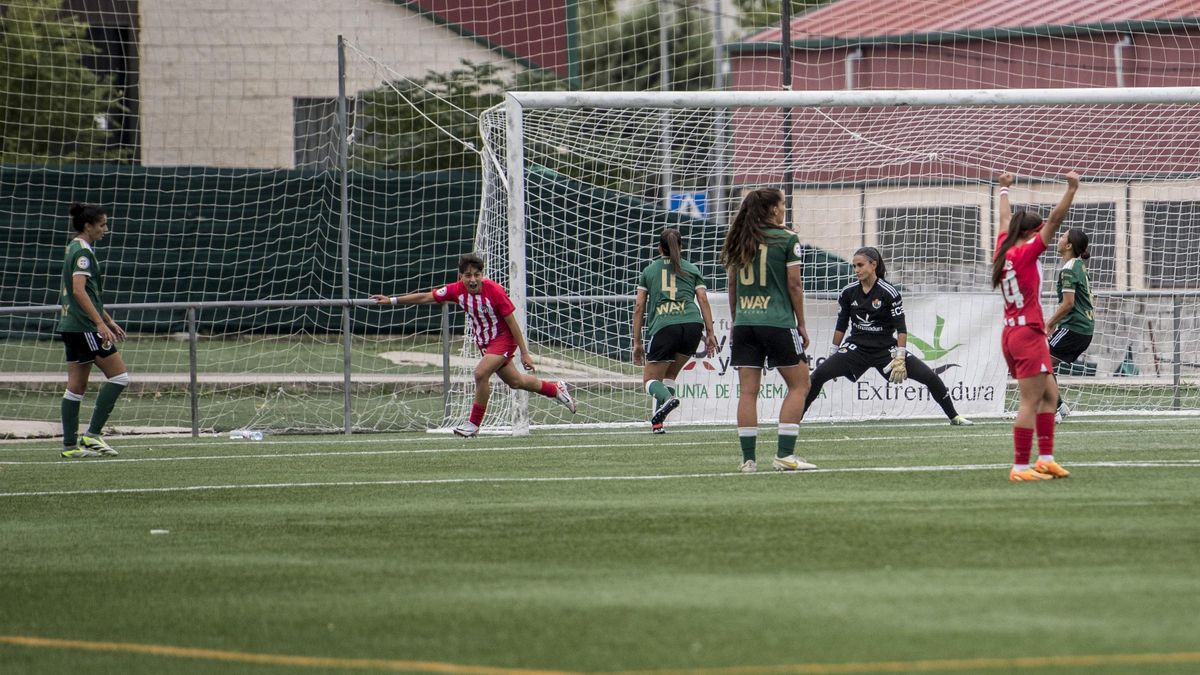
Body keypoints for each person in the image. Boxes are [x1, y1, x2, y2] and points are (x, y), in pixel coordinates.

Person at [370, 252, 576, 436]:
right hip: (485, 342)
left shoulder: (494, 291)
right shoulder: (455, 290)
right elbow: (426, 297)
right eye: (468, 275)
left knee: (480, 373)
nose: (473, 279)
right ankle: (555, 389)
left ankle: (473, 424)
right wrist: (392, 300)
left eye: (477, 274)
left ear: (482, 275)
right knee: (516, 382)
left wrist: (525, 353)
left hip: (503, 339)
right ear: (461, 276)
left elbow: (513, 323)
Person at [803, 247, 974, 426]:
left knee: (929, 377)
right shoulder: (848, 292)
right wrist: (833, 352)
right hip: (856, 348)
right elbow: (841, 324)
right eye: (854, 266)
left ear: (873, 265)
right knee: (818, 375)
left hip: (886, 350)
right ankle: (796, 419)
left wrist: (900, 356)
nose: (856, 270)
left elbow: (901, 329)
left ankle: (954, 417)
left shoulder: (889, 292)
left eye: (860, 265)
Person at [719, 188, 815, 473]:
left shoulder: (739, 238)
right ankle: (785, 455)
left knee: (748, 392)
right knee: (800, 385)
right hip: (777, 322)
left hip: (746, 323)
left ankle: (748, 461)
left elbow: (732, 286)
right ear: (773, 209)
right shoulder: (787, 238)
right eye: (783, 204)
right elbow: (794, 285)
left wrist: (737, 321)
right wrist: (801, 323)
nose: (784, 209)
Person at [993, 170, 1080, 481]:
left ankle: (1045, 459)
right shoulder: (1026, 253)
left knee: (1048, 397)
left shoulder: (1003, 247)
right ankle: (1019, 467)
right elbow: (1055, 220)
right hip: (1026, 332)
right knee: (1030, 400)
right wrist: (1071, 189)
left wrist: (1004, 190)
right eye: (1038, 232)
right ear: (1031, 233)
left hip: (1016, 332)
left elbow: (1003, 220)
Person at [58, 203, 129, 458]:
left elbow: (88, 293)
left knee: (76, 386)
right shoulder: (83, 253)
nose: (105, 229)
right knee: (120, 377)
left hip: (71, 326)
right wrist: (99, 324)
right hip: (84, 327)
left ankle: (69, 447)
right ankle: (92, 435)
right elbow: (78, 290)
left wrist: (107, 319)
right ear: (88, 226)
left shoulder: (74, 247)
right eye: (102, 225)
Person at [631, 228, 718, 434]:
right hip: (692, 326)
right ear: (681, 247)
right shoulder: (692, 269)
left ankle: (667, 399)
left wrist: (637, 342)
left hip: (665, 326)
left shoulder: (649, 271)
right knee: (670, 375)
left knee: (650, 380)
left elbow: (639, 307)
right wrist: (711, 333)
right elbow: (703, 300)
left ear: (659, 248)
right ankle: (658, 423)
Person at [1046, 228, 1094, 423]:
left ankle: (1052, 411)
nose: (1059, 238)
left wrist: (1049, 323)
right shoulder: (1078, 266)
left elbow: (1068, 303)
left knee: (1041, 364)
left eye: (1063, 236)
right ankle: (1059, 407)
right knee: (1045, 364)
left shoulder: (1069, 269)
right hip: (1081, 328)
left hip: (1075, 328)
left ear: (1068, 246)